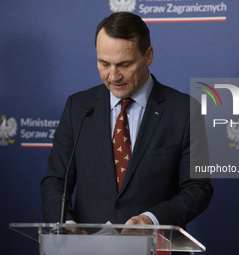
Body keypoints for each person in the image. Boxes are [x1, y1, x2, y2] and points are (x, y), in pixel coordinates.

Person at [40, 11, 212, 229]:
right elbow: (55, 181)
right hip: (87, 248)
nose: (113, 76)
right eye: (104, 63)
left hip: (155, 246)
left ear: (148, 56)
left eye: (124, 65)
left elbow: (197, 188)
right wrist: (65, 224)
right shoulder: (78, 108)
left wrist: (151, 220)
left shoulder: (184, 110)